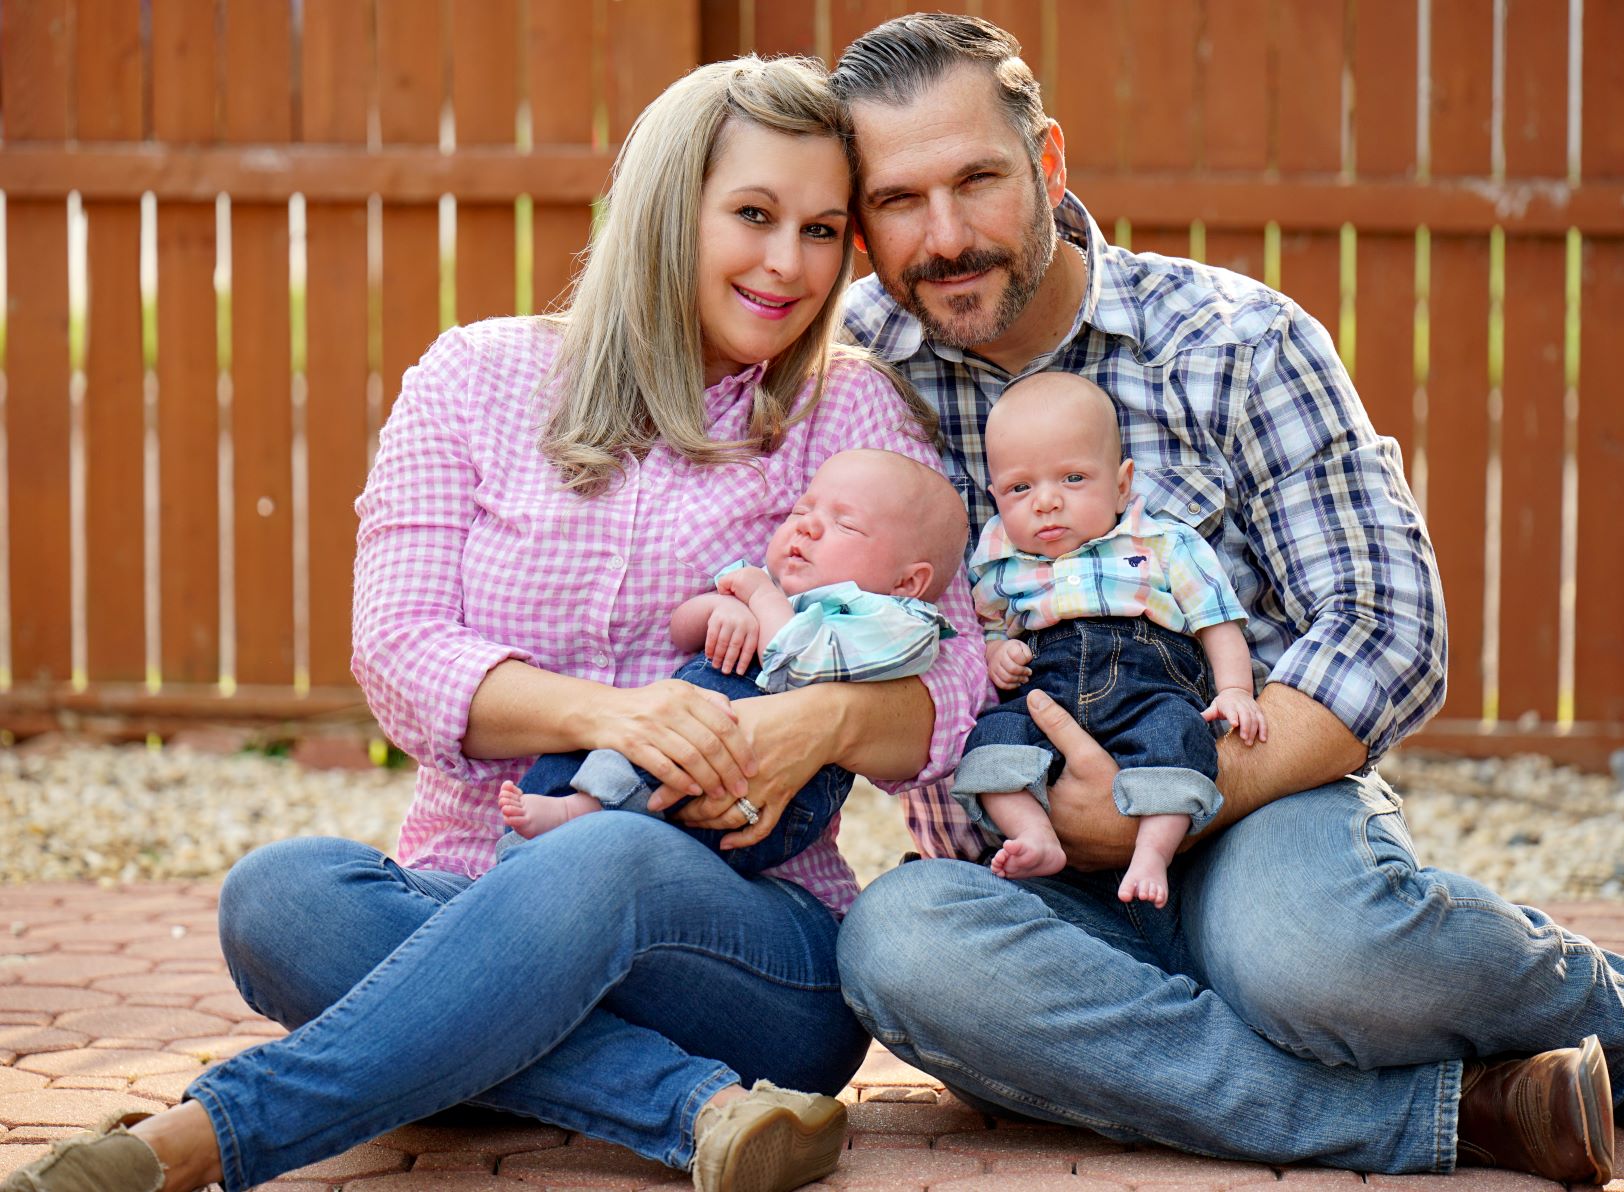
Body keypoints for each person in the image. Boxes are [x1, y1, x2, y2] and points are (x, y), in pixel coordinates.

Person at [3, 54, 986, 1192]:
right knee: (277, 897)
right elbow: (399, 647)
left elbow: (950, 696)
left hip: (751, 947)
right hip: (461, 892)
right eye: (753, 215)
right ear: (670, 210)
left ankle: (202, 1137)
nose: (787, 263)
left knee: (612, 848)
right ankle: (694, 1107)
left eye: (822, 230)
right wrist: (617, 712)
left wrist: (807, 725)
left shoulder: (848, 411)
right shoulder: (473, 378)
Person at [829, 11, 1624, 1182]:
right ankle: (1452, 1111)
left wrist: (1163, 798)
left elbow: (1388, 631)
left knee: (1309, 960)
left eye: (977, 179)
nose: (948, 234)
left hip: (1256, 810)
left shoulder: (1230, 340)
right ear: (860, 222)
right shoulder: (847, 381)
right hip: (1021, 859)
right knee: (895, 949)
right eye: (901, 200)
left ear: (1048, 162)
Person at [498, 446, 970, 875]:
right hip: (684, 735)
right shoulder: (769, 582)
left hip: (761, 798)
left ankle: (581, 814)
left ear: (909, 582)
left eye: (844, 524)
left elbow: (802, 661)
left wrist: (759, 597)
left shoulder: (894, 621)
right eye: (801, 510)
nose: (805, 526)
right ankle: (538, 834)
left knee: (653, 780)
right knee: (601, 738)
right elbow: (681, 630)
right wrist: (719, 608)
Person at [952, 371, 1265, 904]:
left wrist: (1234, 690)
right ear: (995, 496)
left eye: (1073, 479)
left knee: (1179, 738)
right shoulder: (1000, 562)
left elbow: (1216, 619)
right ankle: (1035, 833)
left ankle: (1151, 853)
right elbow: (988, 627)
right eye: (1020, 488)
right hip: (1044, 691)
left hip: (1147, 685)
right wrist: (998, 652)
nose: (1045, 502)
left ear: (1122, 484)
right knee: (990, 742)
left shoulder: (1163, 542)